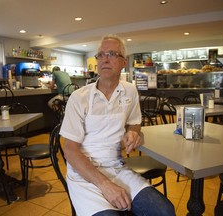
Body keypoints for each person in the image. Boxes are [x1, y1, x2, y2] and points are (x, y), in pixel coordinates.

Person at [60, 34, 175, 216]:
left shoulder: (129, 90)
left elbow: (135, 123)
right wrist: (105, 184)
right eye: (101, 54)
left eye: (112, 54)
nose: (105, 59)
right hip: (84, 175)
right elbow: (70, 150)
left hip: (117, 167)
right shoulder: (79, 97)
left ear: (124, 62)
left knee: (165, 211)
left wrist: (133, 133)